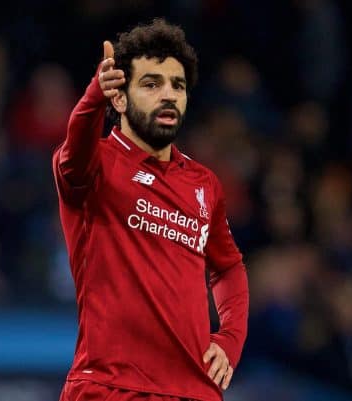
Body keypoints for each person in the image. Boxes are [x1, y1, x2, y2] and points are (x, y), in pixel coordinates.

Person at [52, 19, 249, 401]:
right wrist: (95, 95)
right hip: (109, 386)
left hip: (193, 390)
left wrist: (230, 337)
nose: (169, 95)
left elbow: (228, 267)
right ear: (120, 98)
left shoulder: (203, 183)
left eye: (178, 85)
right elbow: (74, 154)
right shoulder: (96, 165)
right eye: (151, 84)